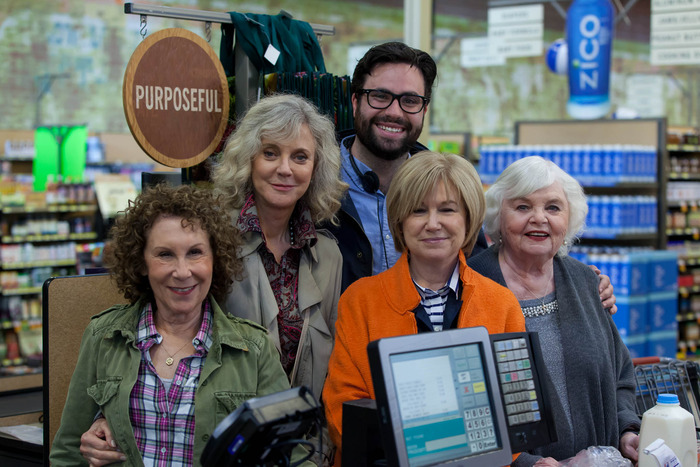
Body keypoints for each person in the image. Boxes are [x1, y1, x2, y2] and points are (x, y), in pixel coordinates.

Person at [323, 41, 617, 315]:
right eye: (380, 96)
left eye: (410, 100)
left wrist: (577, 280)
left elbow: (485, 266)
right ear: (355, 101)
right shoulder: (315, 186)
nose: (394, 111)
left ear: (424, 109)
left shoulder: (452, 186)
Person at [51, 184, 310, 466]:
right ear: (141, 262)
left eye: (195, 252)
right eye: (165, 254)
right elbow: (68, 453)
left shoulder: (254, 350)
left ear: (215, 259)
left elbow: (292, 457)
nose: (183, 271)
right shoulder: (104, 337)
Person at [322, 151, 527, 466]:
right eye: (418, 211)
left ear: (469, 219)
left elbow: (516, 412)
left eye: (447, 210)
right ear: (400, 221)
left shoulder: (502, 304)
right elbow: (342, 411)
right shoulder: (359, 301)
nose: (433, 224)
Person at [467, 156, 640, 466]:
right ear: (498, 216)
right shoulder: (470, 286)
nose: (539, 218)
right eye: (522, 207)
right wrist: (524, 462)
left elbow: (620, 376)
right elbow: (465, 405)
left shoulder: (585, 281)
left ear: (569, 219)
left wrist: (627, 430)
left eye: (553, 208)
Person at [211, 93, 347, 402]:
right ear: (248, 159)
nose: (285, 169)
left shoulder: (329, 256)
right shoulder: (212, 240)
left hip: (301, 427)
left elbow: (332, 367)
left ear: (315, 168)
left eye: (300, 157)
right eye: (270, 153)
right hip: (227, 427)